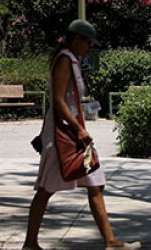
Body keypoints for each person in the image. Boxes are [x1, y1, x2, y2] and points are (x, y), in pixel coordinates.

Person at [23, 20, 138, 250]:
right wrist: (79, 129)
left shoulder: (72, 60)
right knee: (45, 189)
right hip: (63, 136)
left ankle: (110, 241)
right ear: (77, 39)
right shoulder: (65, 60)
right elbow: (57, 101)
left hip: (73, 135)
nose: (90, 48)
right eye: (88, 43)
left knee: (95, 184)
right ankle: (30, 243)